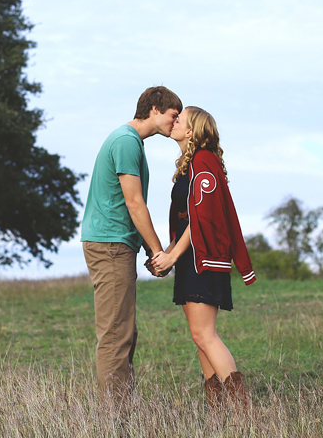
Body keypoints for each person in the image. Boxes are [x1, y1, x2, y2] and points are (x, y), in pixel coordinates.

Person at [80, 85, 183, 401]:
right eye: (173, 115)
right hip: (110, 244)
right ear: (154, 108)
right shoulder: (126, 142)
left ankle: (122, 413)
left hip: (115, 243)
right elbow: (134, 203)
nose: (176, 122)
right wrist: (157, 251)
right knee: (115, 335)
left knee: (123, 332)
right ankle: (115, 422)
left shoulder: (129, 141)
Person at [151, 106, 255, 409]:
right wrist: (168, 254)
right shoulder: (189, 164)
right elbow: (186, 219)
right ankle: (218, 410)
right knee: (199, 336)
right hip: (190, 258)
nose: (173, 122)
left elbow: (203, 218)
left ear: (192, 131)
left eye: (179, 120)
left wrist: (173, 257)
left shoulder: (204, 160)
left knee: (205, 334)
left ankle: (242, 410)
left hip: (204, 258)